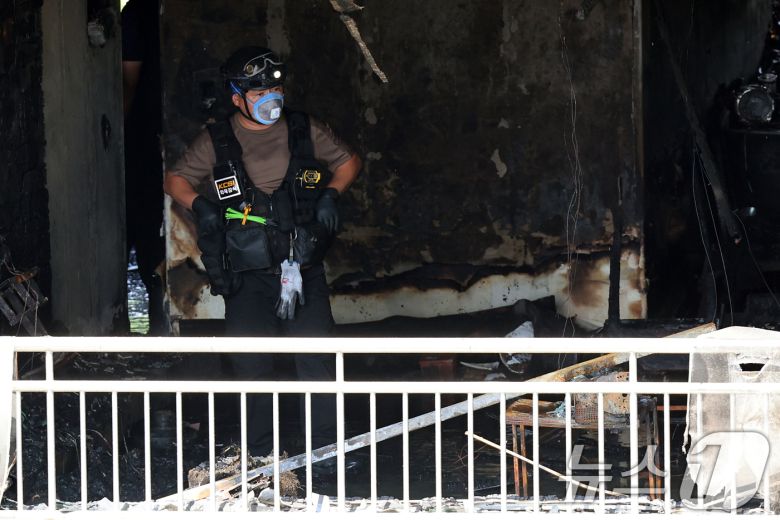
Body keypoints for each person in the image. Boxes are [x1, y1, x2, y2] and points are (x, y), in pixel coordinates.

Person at [163, 47, 362, 460]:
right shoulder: (217, 139)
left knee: (317, 361)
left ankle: (325, 453)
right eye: (258, 92)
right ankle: (259, 456)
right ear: (237, 98)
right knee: (251, 364)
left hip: (301, 266)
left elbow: (348, 163)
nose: (271, 98)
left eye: (275, 88)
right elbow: (176, 179)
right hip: (247, 274)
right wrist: (199, 205)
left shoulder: (305, 130)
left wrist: (329, 194)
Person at [122, 0, 166, 334]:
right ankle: (160, 327)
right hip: (159, 137)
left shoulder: (136, 13)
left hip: (141, 138)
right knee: (156, 239)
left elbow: (129, 80)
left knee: (145, 230)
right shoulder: (140, 13)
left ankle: (156, 329)